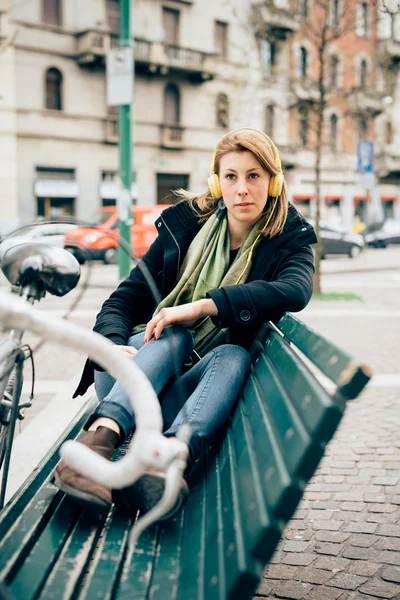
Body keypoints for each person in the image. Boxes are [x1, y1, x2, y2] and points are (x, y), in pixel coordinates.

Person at [54, 128, 317, 518]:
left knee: (232, 353)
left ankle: (166, 464)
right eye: (231, 176)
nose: (242, 188)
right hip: (131, 383)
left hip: (196, 394)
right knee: (172, 334)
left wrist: (201, 306)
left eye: (254, 175)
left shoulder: (288, 240)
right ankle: (100, 441)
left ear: (273, 182)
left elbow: (295, 290)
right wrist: (111, 341)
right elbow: (123, 299)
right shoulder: (185, 229)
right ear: (217, 182)